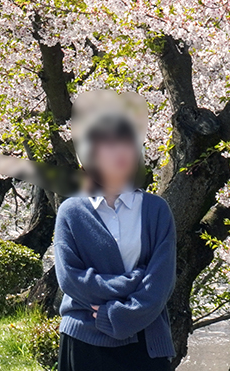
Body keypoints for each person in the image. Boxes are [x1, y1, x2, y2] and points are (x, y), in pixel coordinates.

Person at [53, 106, 176, 371]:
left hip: (145, 341)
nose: (121, 151)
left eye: (127, 143)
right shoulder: (72, 211)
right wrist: (132, 281)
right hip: (85, 338)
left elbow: (161, 284)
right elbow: (71, 279)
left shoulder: (156, 210)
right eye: (109, 144)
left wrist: (119, 315)